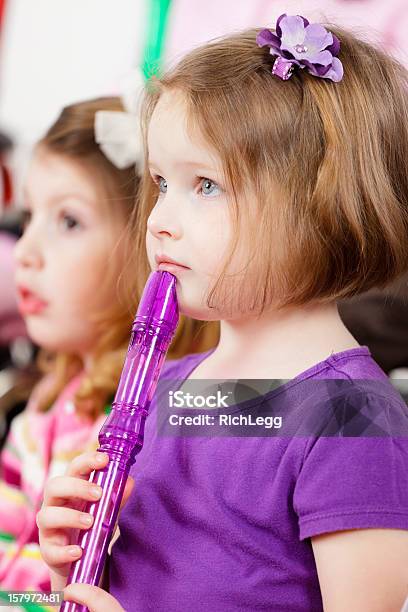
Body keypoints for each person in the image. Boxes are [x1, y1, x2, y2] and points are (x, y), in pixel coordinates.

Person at [38, 15, 408, 611]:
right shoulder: (171, 386)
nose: (159, 219)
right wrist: (77, 570)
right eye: (160, 182)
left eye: (205, 185)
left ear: (320, 206)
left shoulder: (350, 417)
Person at [0, 96, 218, 598]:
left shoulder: (164, 415)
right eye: (29, 216)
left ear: (140, 251)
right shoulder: (42, 405)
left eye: (68, 222)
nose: (26, 253)